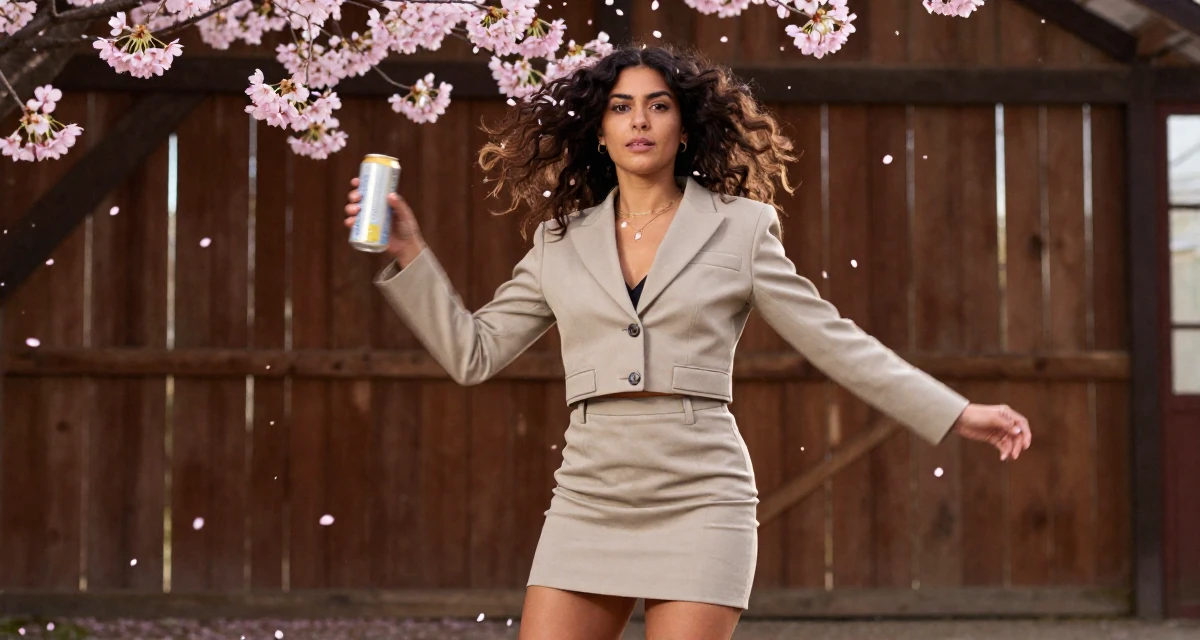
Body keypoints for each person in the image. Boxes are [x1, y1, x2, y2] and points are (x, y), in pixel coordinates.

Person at [343, 44, 1032, 640]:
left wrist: (957, 412)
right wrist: (411, 253)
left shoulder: (742, 229)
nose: (638, 119)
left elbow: (836, 342)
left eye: (657, 104)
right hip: (588, 497)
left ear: (685, 125)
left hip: (703, 498)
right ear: (600, 129)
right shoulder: (558, 244)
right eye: (620, 106)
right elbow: (474, 353)